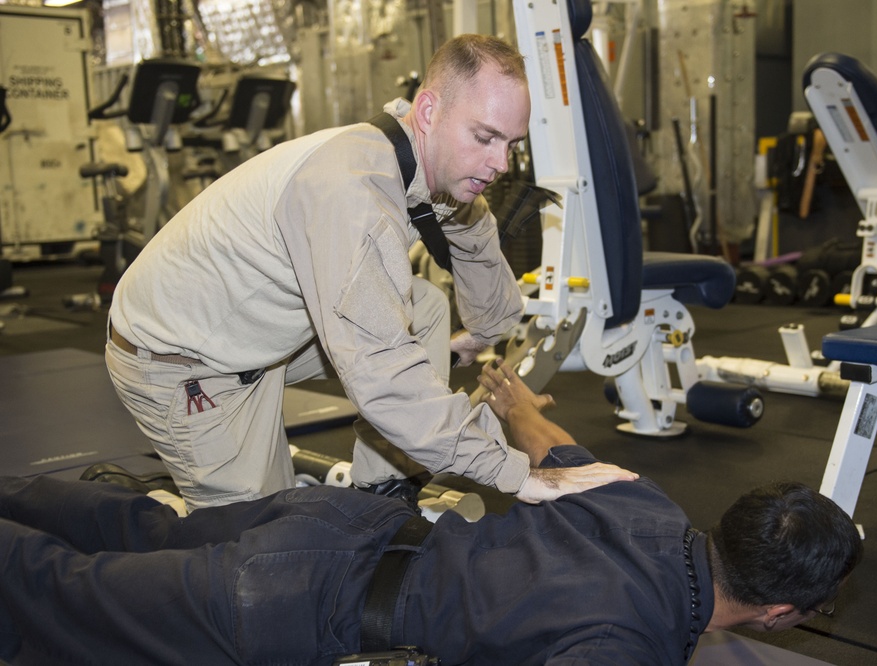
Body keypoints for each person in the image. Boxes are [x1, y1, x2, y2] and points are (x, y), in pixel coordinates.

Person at [0, 361, 863, 665]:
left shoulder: (645, 501)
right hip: (305, 602)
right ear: (780, 612)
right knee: (66, 591)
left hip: (333, 523)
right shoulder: (625, 646)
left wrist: (512, 396)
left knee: (136, 526)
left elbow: (543, 439)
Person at [104, 34, 583, 510]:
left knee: (428, 307)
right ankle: (144, 507)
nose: (499, 163)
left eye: (511, 143)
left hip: (255, 338)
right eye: (484, 137)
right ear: (429, 111)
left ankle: (384, 485)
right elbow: (383, 374)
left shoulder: (427, 163)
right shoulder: (354, 193)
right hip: (181, 361)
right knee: (267, 547)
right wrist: (518, 474)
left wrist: (481, 335)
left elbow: (476, 241)